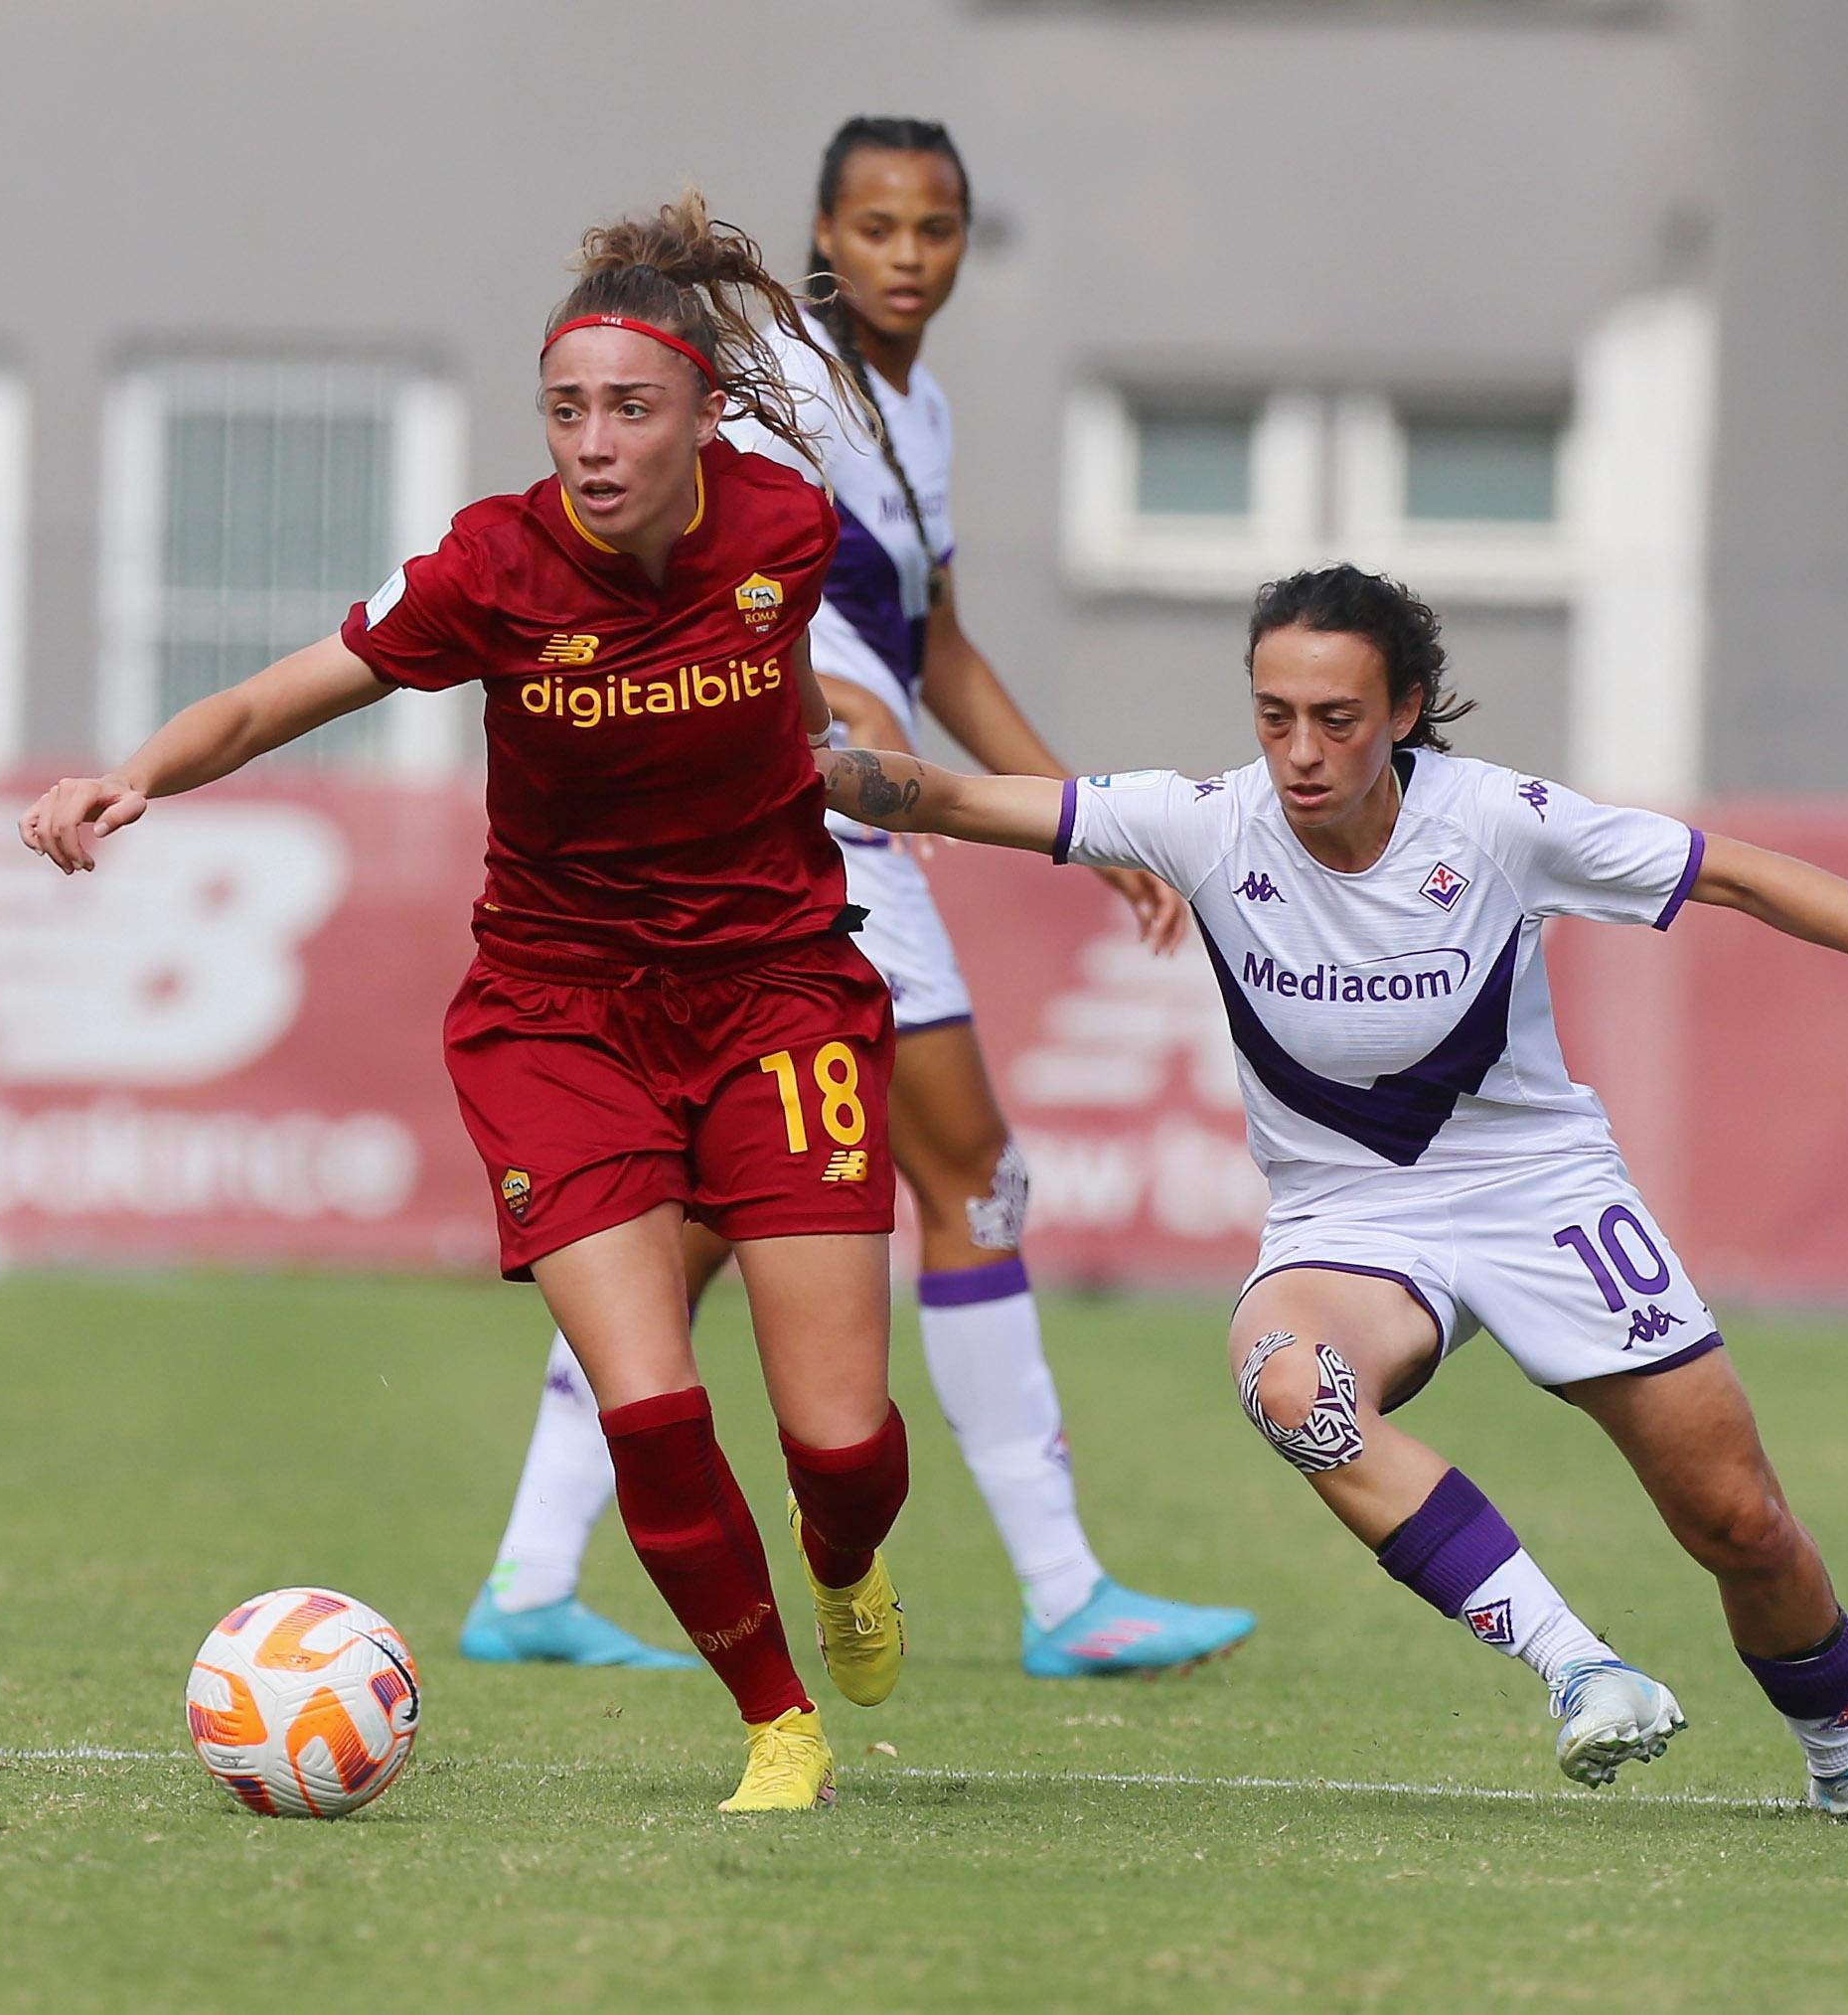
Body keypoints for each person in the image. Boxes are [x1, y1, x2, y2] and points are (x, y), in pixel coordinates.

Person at [807, 565, 1848, 1825]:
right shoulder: (1205, 822)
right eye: (1274, 717)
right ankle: (1581, 1670)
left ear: (1402, 714)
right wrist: (778, 743)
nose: (1301, 751)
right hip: (1347, 1224)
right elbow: (940, 797)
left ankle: (1846, 1763)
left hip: (1540, 1194)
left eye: (1335, 719)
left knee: (1737, 1522)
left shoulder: (1496, 822)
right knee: (1288, 1384)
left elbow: (1735, 873)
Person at [18, 193, 914, 1814]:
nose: (591, 441)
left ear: (706, 414)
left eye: (630, 407)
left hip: (778, 993)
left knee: (841, 1446)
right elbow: (271, 696)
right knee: (647, 1405)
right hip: (558, 1015)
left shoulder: (784, 529)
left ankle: (844, 1568)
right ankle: (778, 1723)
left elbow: (780, 697)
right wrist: (133, 772)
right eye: (565, 408)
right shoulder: (488, 568)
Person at [462, 115, 1255, 1681]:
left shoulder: (917, 407)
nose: (907, 255)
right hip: (815, 820)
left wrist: (1076, 819)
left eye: (937, 227)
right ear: (821, 235)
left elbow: (935, 642)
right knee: (971, 1174)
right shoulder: (796, 394)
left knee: (695, 1212)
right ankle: (1062, 1590)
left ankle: (530, 1574)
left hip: (852, 815)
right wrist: (827, 718)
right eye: (876, 226)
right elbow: (729, 571)